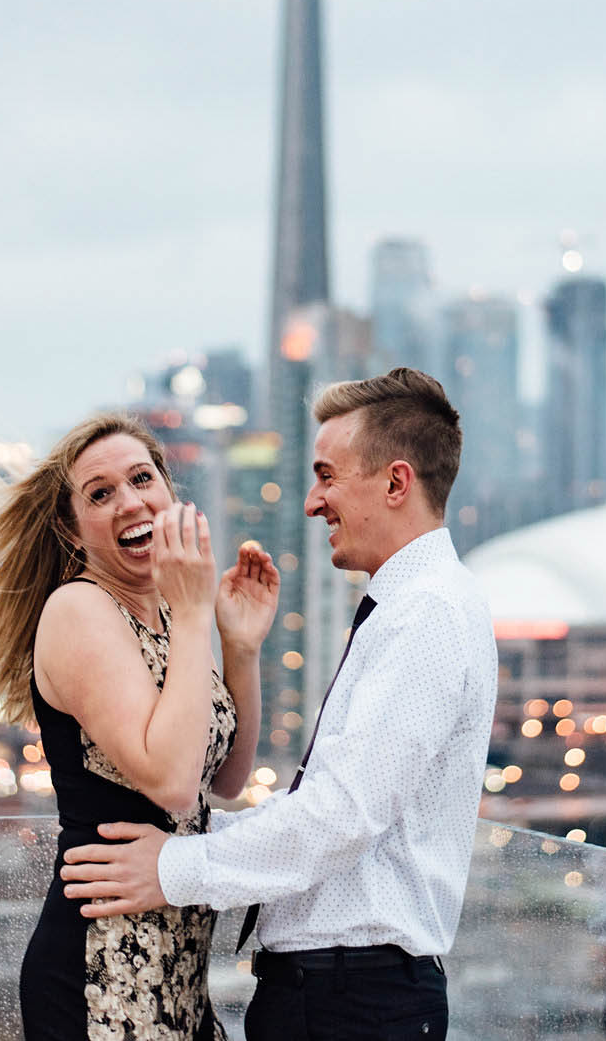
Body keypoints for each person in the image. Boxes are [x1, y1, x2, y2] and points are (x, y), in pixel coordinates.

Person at [60, 369, 497, 1041]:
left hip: (353, 1001)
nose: (311, 501)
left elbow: (343, 814)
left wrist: (175, 865)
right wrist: (194, 847)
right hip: (333, 997)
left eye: (327, 475)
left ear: (395, 482)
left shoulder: (428, 614)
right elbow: (317, 804)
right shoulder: (407, 607)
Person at [0, 413, 279, 1040]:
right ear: (72, 527)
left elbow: (223, 780)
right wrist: (198, 611)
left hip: (179, 977)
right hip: (103, 973)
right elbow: (170, 785)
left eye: (142, 478)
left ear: (169, 492)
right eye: (100, 493)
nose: (129, 501)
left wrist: (240, 646)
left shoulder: (173, 615)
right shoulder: (79, 609)